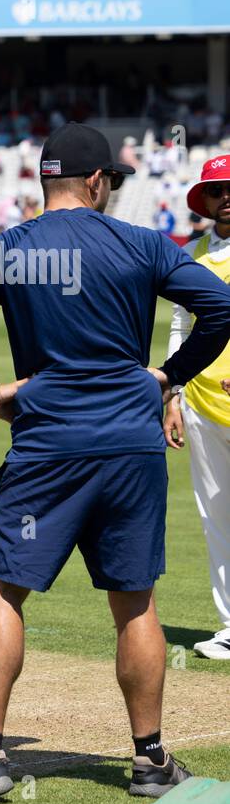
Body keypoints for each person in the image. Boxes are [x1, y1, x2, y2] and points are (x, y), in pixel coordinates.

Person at [0, 123, 230, 804]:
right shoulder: (145, 243)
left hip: (49, 443)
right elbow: (221, 307)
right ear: (96, 180)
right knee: (134, 599)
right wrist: (167, 377)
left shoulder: (12, 248)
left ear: (46, 182)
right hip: (133, 446)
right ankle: (150, 761)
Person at [163, 155, 230, 660]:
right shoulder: (193, 254)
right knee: (216, 516)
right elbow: (179, 328)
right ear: (203, 200)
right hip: (203, 403)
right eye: (215, 190)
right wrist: (172, 392)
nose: (224, 196)